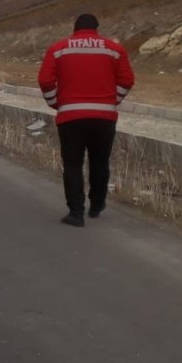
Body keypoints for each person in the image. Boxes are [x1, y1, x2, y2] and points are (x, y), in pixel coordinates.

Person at [38, 13, 135, 228]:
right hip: (104, 117)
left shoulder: (59, 48)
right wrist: (113, 99)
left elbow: (45, 80)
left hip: (70, 116)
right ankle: (97, 204)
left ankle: (76, 213)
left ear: (75, 29)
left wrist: (55, 102)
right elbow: (127, 80)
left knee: (73, 165)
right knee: (100, 162)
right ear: (96, 29)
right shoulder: (114, 49)